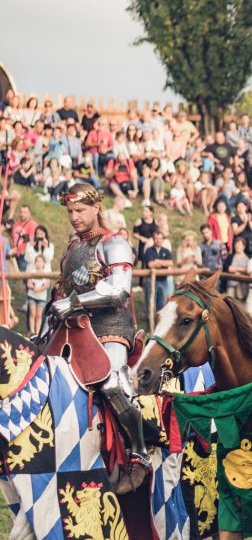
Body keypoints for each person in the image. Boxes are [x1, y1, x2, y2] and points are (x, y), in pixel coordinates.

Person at [49, 183, 147, 490]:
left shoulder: (114, 243)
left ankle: (139, 453)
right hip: (73, 329)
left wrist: (72, 303)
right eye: (70, 211)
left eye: (80, 210)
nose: (74, 217)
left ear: (96, 208)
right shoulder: (71, 248)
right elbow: (62, 290)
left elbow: (118, 291)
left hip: (110, 326)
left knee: (113, 384)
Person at [144, 231, 175, 311]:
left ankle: (159, 319)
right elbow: (150, 264)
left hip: (163, 281)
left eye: (160, 238)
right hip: (151, 281)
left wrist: (157, 261)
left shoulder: (166, 251)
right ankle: (150, 319)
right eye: (156, 238)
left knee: (162, 305)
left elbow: (170, 263)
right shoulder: (149, 250)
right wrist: (164, 263)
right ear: (153, 239)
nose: (158, 240)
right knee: (151, 305)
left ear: (163, 240)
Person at [27, 254, 51, 336]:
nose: (39, 263)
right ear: (35, 263)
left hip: (41, 297)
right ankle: (32, 331)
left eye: (41, 261)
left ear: (43, 263)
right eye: (37, 261)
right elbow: (29, 283)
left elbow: (47, 285)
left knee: (39, 315)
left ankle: (37, 333)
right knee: (32, 314)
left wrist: (39, 289)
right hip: (32, 296)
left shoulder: (46, 273)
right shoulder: (32, 272)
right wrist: (34, 288)